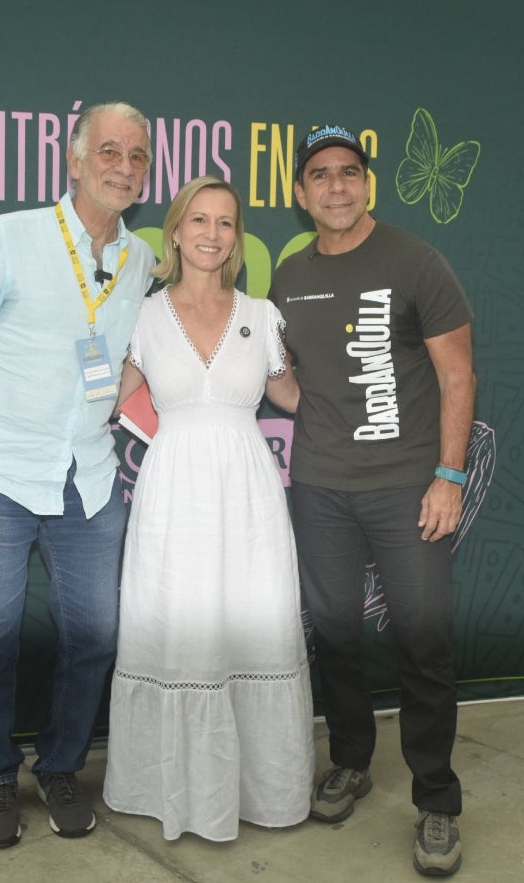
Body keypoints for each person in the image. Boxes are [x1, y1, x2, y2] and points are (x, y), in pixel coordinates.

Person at [0, 102, 156, 848]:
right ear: (74, 160)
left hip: (90, 481)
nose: (123, 167)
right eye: (109, 151)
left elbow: (131, 357)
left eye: (137, 157)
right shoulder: (9, 236)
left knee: (95, 637)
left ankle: (60, 766)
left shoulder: (140, 261)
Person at [269, 124, 474, 877]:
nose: (336, 186)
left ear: (367, 184)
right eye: (321, 174)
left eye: (349, 172)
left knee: (424, 642)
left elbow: (458, 375)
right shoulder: (288, 277)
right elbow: (286, 379)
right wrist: (313, 407)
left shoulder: (416, 261)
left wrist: (449, 476)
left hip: (408, 491)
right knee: (334, 636)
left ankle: (437, 799)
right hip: (321, 488)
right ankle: (351, 760)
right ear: (301, 193)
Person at [102, 176, 315, 841]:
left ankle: (262, 791)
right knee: (180, 628)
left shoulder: (262, 315)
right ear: (174, 231)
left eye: (225, 222)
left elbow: (293, 397)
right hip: (171, 498)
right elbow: (104, 395)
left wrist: (379, 402)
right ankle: (168, 791)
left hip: (248, 497)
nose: (212, 234)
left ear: (237, 237)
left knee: (252, 625)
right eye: (199, 219)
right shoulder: (142, 316)